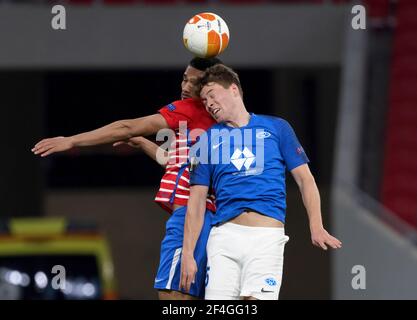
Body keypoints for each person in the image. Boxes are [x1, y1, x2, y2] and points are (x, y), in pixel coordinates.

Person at [31, 57, 223, 300]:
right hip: (208, 219)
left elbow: (127, 126)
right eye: (185, 78)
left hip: (189, 218)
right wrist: (143, 144)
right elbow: (175, 163)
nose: (185, 87)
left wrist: (72, 140)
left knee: (173, 298)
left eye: (194, 83)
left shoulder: (190, 110)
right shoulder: (210, 122)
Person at [180, 64, 342, 300]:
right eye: (204, 101)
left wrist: (316, 225)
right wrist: (187, 253)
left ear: (234, 89)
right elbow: (196, 201)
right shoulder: (207, 140)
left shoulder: (277, 128)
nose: (209, 104)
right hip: (224, 239)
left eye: (212, 95)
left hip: (266, 239)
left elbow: (305, 179)